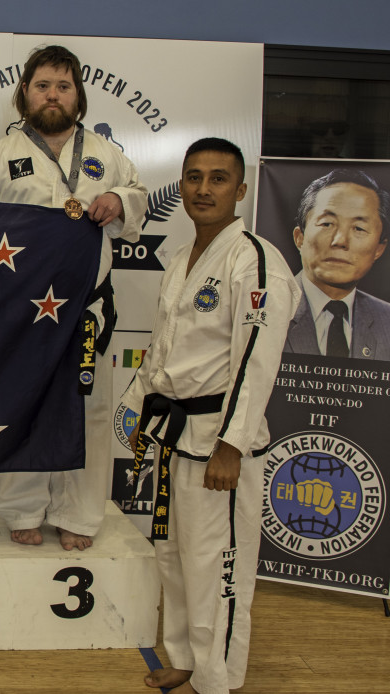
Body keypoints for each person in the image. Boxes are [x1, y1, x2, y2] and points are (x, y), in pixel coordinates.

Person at [123, 138, 299, 694]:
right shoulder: (182, 258)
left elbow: (256, 361)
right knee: (174, 557)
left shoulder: (255, 262)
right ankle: (184, 658)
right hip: (176, 434)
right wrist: (138, 412)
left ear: (240, 190)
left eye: (218, 178)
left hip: (219, 444)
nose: (203, 189)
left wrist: (232, 445)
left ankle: (216, 680)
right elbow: (164, 349)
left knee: (217, 568)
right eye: (194, 177)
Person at [0, 45, 147, 550]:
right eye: (43, 85)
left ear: (78, 95)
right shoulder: (0, 157)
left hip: (86, 306)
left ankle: (78, 515)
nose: (53, 95)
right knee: (20, 403)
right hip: (19, 309)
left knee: (88, 410)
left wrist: (119, 199)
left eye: (63, 87)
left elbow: (138, 196)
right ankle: (22, 508)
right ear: (25, 92)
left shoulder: (106, 154)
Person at [282, 168, 390, 358]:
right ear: (300, 238)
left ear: (379, 248)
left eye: (359, 228)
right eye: (327, 224)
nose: (340, 241)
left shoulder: (386, 320)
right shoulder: (267, 307)